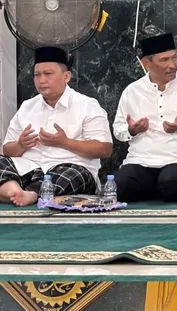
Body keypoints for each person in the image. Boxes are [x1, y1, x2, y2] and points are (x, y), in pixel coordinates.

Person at [0, 47, 112, 206]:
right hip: (29, 167)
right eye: (37, 75)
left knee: (73, 176)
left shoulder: (87, 105)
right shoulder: (27, 106)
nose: (41, 80)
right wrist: (20, 145)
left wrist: (65, 142)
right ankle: (16, 192)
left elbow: (105, 149)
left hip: (70, 169)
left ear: (66, 76)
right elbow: (7, 150)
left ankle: (27, 193)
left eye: (48, 74)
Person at [112, 32, 177, 202]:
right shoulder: (132, 91)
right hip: (141, 161)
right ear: (146, 64)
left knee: (172, 182)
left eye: (174, 58)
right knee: (120, 186)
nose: (172, 65)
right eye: (164, 60)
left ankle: (157, 189)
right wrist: (131, 130)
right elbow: (118, 130)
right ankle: (153, 188)